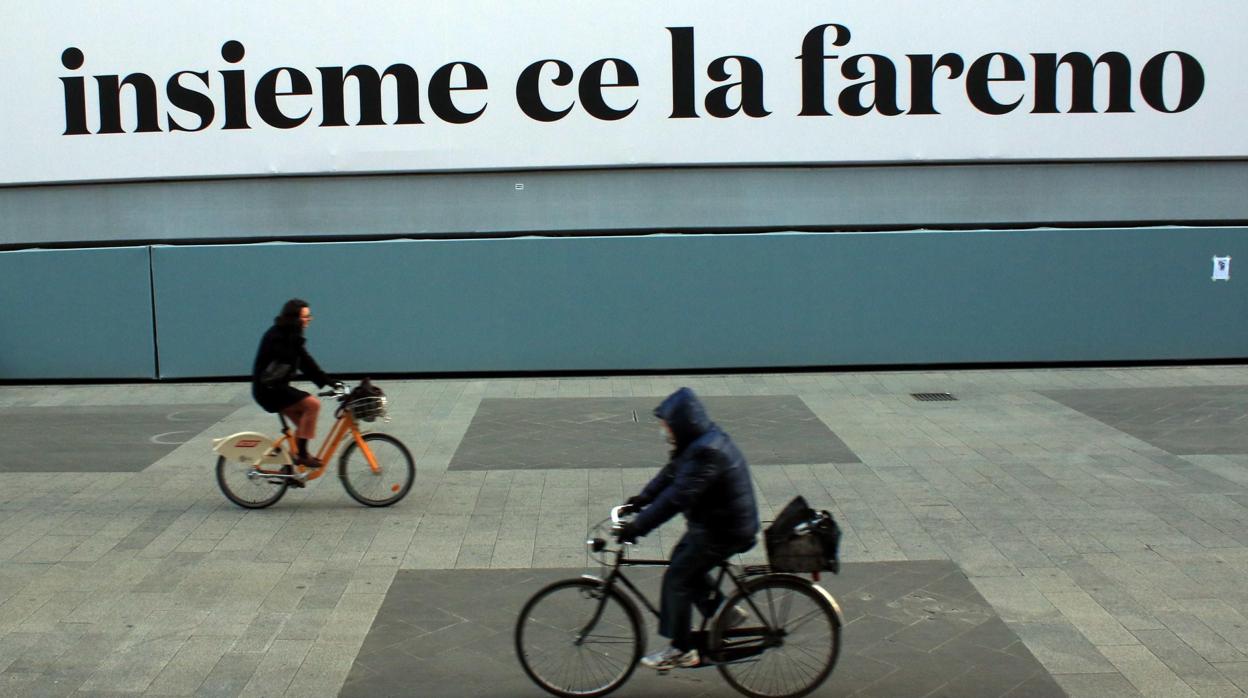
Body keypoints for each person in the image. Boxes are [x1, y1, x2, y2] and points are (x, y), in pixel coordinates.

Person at [615, 387, 760, 671]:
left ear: (681, 423)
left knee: (678, 578)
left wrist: (637, 529)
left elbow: (676, 498)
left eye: (666, 426)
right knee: (681, 558)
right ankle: (722, 613)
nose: (664, 432)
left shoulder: (707, 452)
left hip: (726, 530)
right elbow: (669, 476)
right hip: (714, 523)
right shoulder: (696, 443)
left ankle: (681, 650)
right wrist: (640, 501)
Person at [251, 298, 339, 485]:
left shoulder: (290, 336)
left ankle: (290, 470)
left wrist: (329, 382)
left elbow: (306, 362)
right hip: (268, 390)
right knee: (313, 405)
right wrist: (296, 345)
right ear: (295, 318)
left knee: (303, 427)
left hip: (277, 388)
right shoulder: (278, 337)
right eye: (306, 317)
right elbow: (292, 359)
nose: (309, 320)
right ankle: (301, 455)